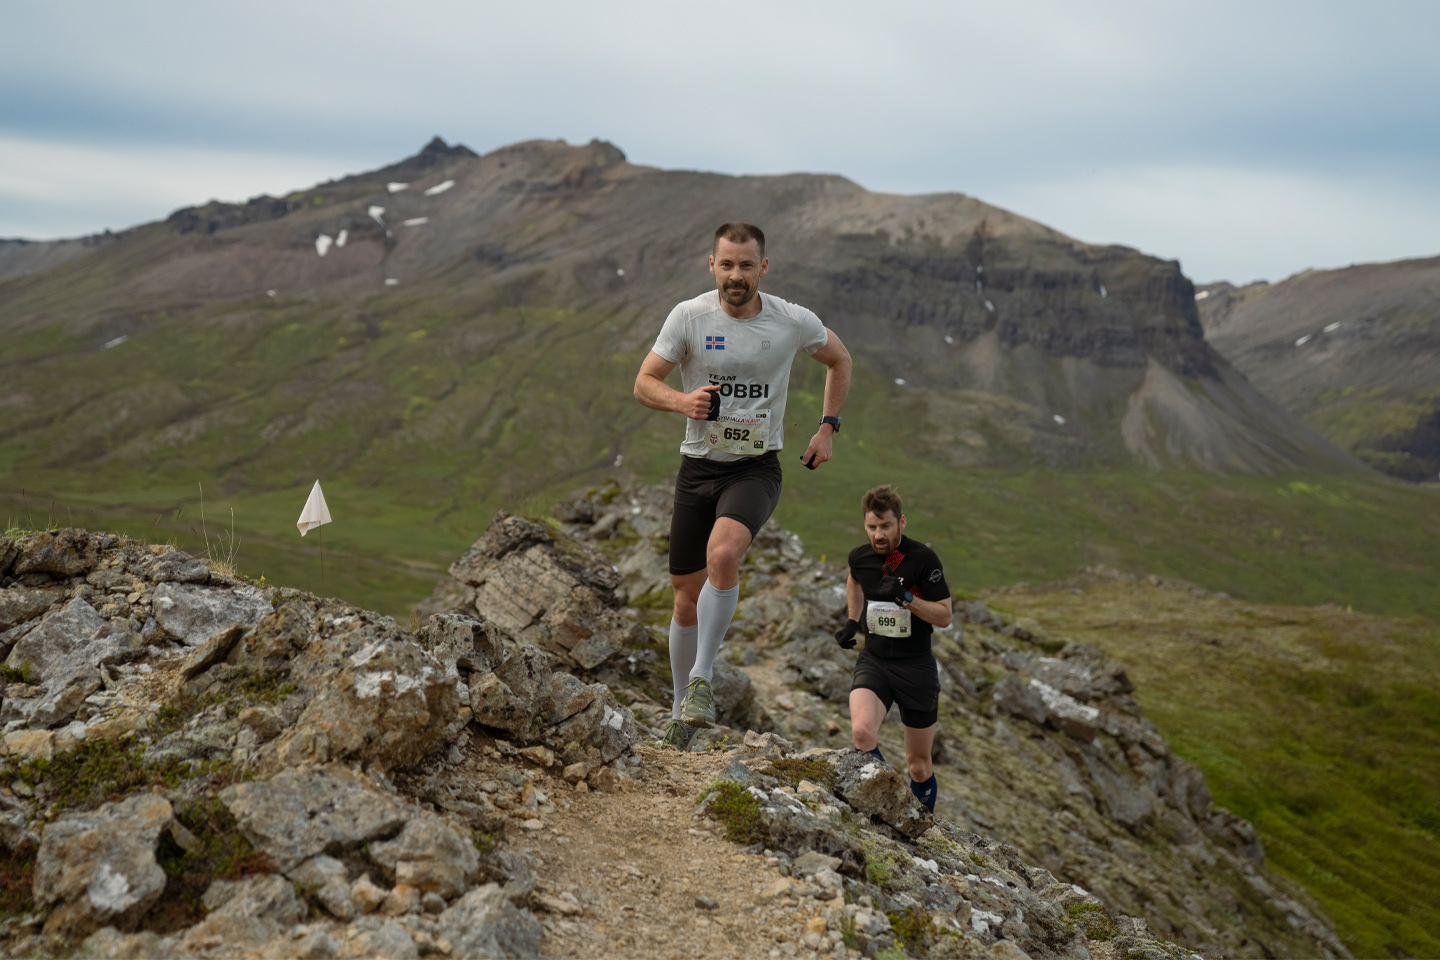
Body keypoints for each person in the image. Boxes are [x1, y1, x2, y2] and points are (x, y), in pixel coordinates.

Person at [634, 221, 852, 750]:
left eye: (746, 265)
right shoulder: (688, 317)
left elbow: (839, 360)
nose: (736, 275)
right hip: (698, 466)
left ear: (764, 268)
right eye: (727, 264)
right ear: (712, 265)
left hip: (754, 468)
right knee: (685, 600)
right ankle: (680, 706)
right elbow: (644, 383)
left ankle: (703, 681)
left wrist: (827, 427)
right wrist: (683, 403)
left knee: (725, 555)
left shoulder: (792, 321)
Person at [834, 484, 952, 812]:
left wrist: (908, 599)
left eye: (885, 526)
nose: (878, 534)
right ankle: (895, 806)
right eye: (872, 527)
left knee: (918, 765)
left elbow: (945, 615)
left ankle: (919, 821)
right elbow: (855, 579)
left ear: (901, 523)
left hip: (916, 666)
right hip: (875, 661)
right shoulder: (860, 557)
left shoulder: (923, 560)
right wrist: (851, 621)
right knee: (861, 732)